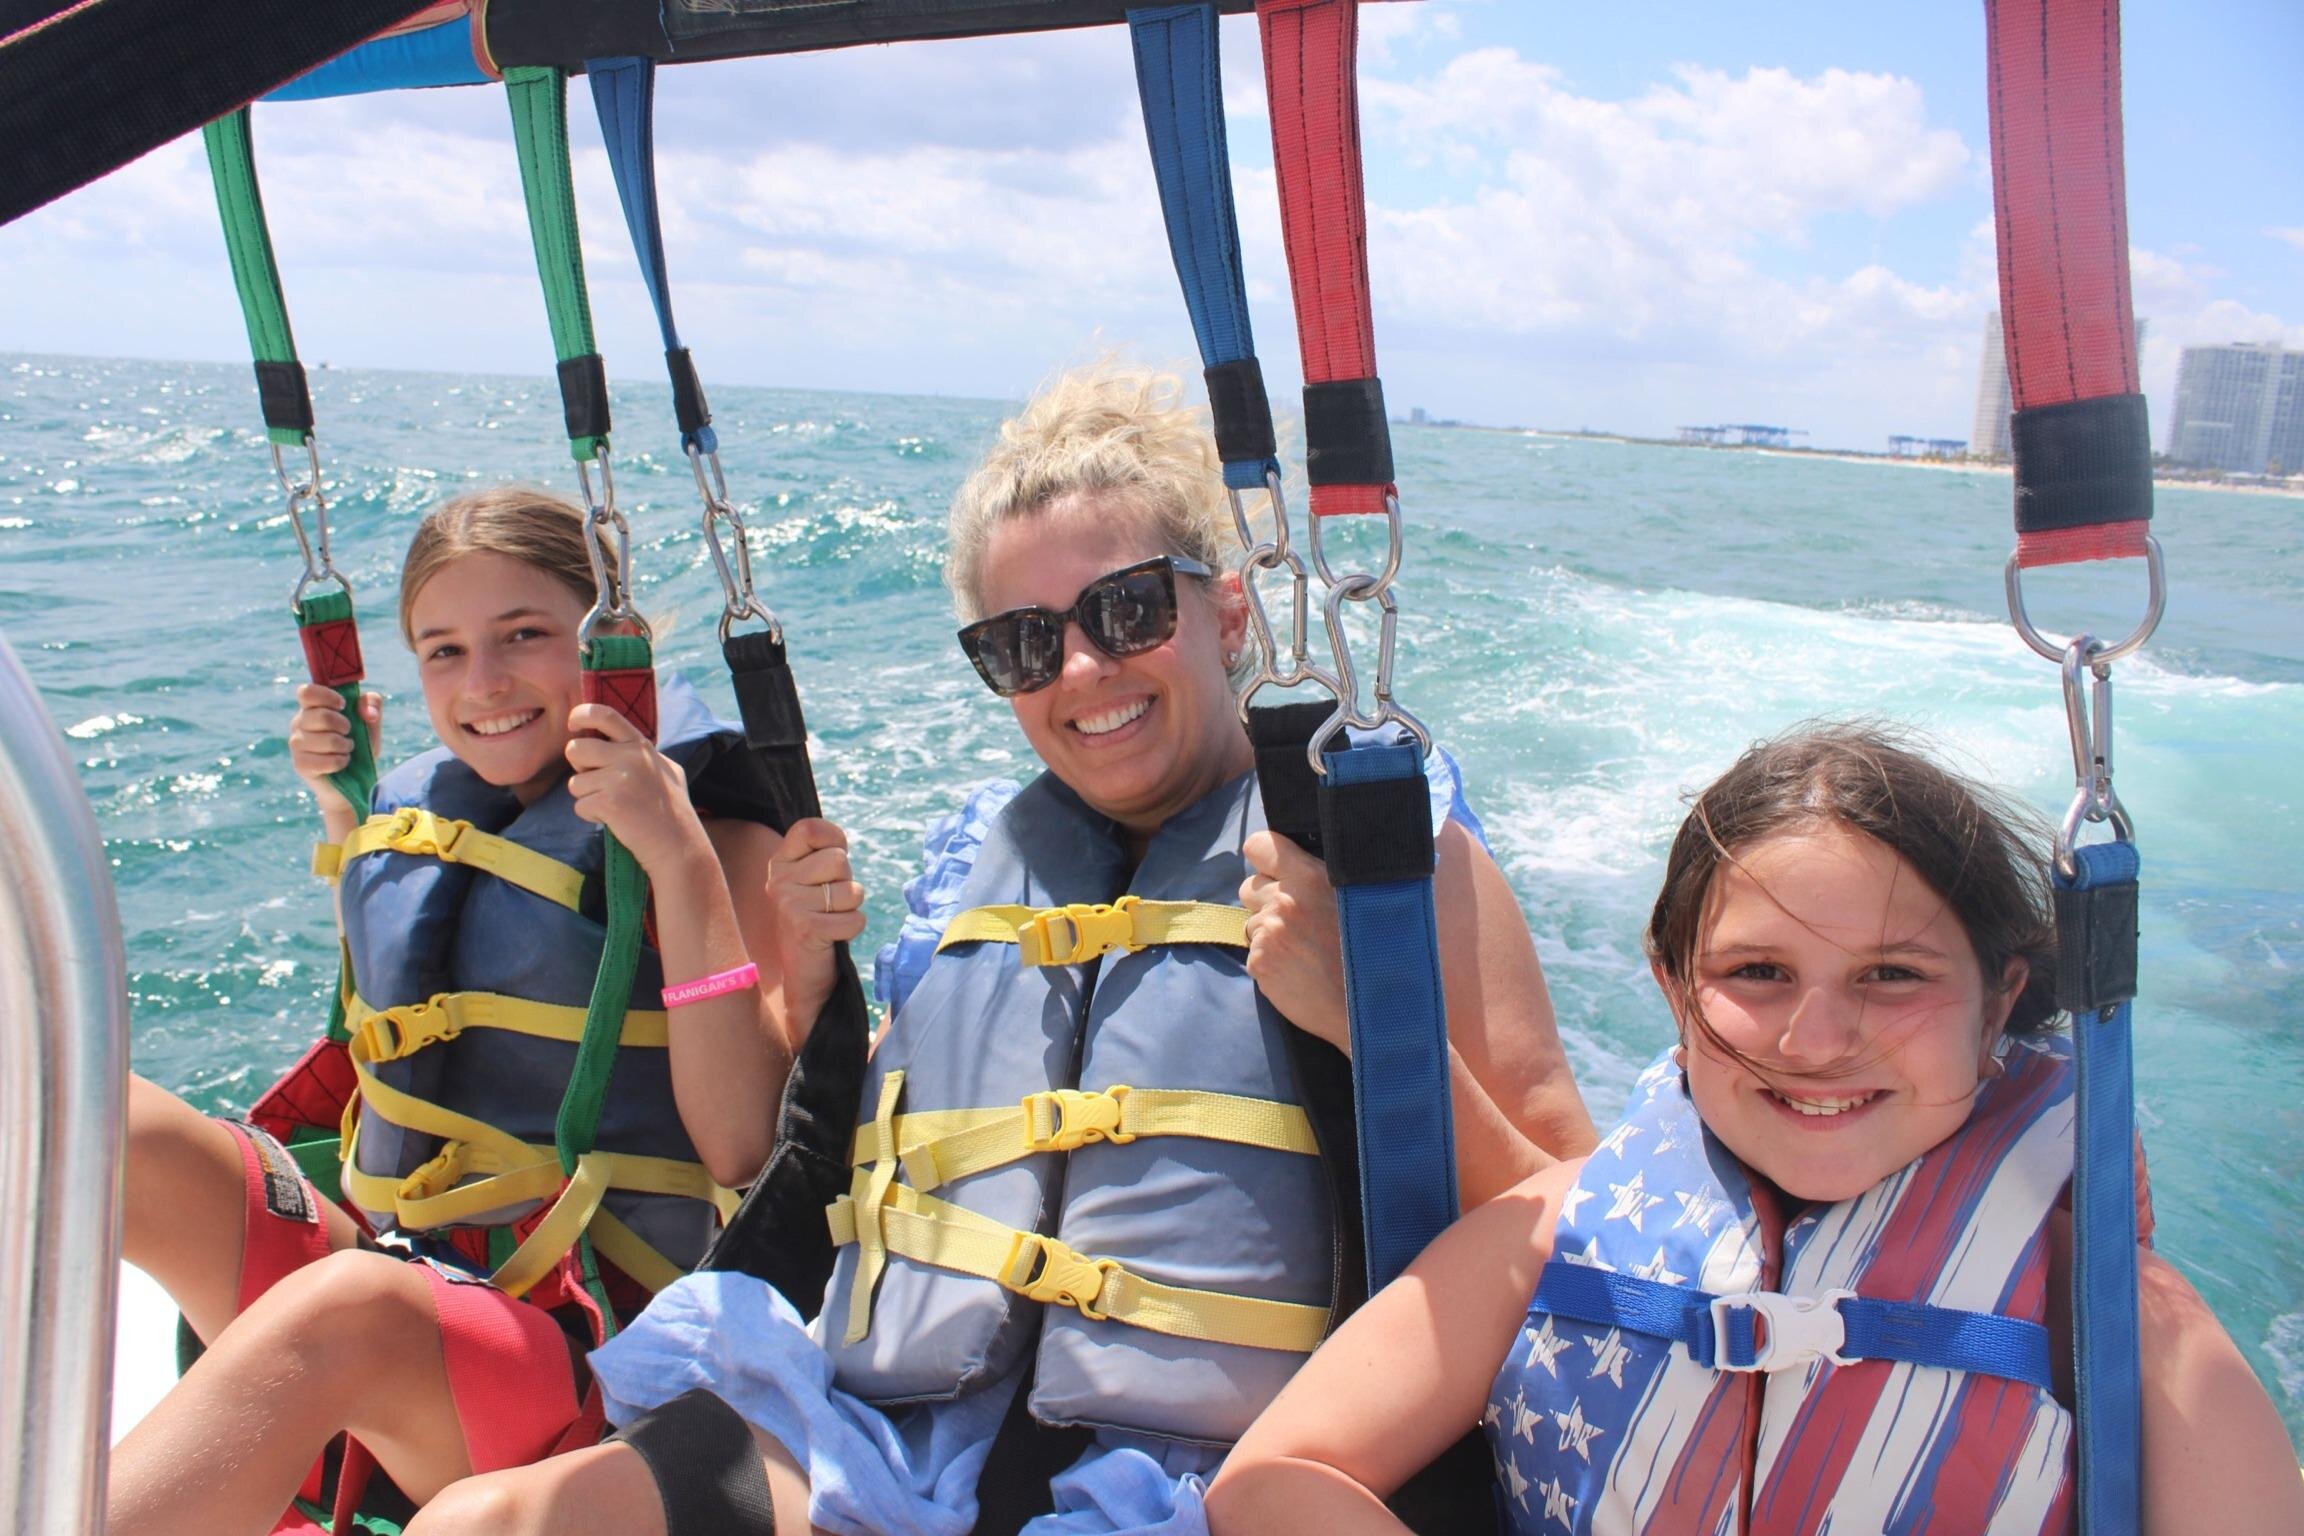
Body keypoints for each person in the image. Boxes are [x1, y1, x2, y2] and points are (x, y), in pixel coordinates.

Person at [404, 361, 1596, 1536]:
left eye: (1128, 610)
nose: (1080, 669)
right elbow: (747, 1151)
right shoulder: (972, 870)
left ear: (1228, 612)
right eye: (1024, 644)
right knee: (487, 1523)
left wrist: (1369, 1024)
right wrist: (796, 986)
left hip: (1193, 1490)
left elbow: (1575, 1224)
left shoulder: (1384, 857)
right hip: (892, 1457)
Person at [1206, 724, 2304, 1536]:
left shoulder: (2106, 1313)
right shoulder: (1551, 1230)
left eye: (1892, 976)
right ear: (1673, 987)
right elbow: (1276, 1479)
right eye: (1758, 973)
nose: (1814, 1039)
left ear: (1998, 1004)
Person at [110, 488, 802, 1536]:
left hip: (588, 1365)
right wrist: (346, 815)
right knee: (107, 1123)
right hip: (411, 1287)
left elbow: (746, 1145)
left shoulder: (719, 833)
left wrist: (677, 858)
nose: (483, 684)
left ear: (611, 646)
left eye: (524, 635)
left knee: (348, 1311)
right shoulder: (427, 806)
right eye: (443, 651)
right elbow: (406, 1015)